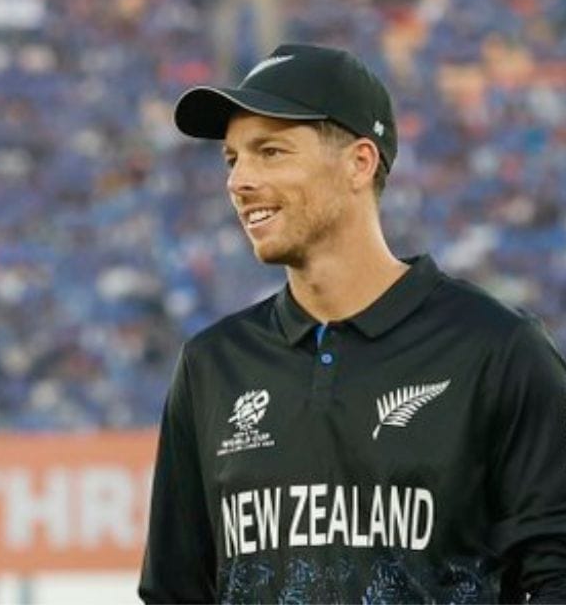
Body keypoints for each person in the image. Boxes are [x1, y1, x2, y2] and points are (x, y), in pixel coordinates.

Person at [138, 44, 566, 602]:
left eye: (270, 152)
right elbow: (175, 592)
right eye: (232, 159)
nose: (239, 181)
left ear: (359, 163)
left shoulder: (496, 350)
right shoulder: (212, 366)